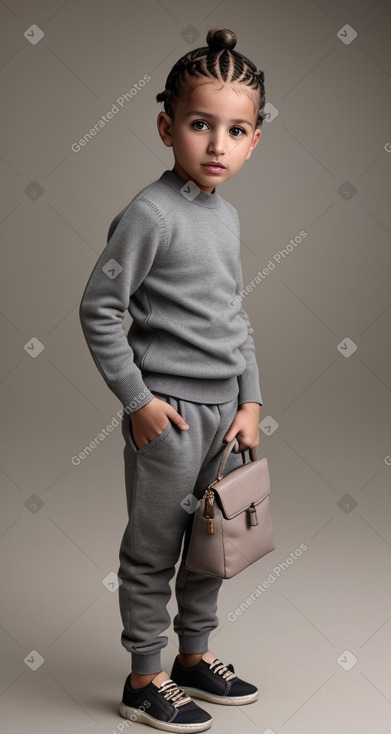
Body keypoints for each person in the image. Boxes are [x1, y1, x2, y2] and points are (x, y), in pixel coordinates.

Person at [79, 27, 266, 733]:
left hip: (224, 416)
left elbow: (234, 317)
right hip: (173, 419)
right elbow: (99, 308)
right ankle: (142, 677)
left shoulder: (226, 217)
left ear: (254, 142)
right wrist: (139, 403)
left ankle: (193, 658)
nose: (216, 145)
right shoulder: (150, 214)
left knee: (212, 547)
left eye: (235, 130)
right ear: (166, 126)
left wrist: (250, 399)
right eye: (199, 125)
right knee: (153, 549)